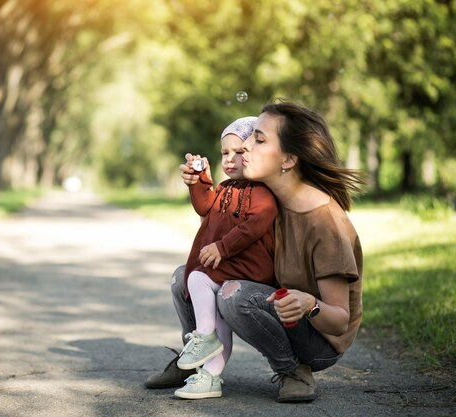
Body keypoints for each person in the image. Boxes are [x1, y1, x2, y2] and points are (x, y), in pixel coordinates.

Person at [145, 99, 364, 403]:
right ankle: (196, 360)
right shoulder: (267, 196)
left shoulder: (324, 223)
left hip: (318, 339)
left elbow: (340, 321)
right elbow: (218, 228)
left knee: (232, 294)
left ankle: (292, 370)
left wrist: (309, 303)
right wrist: (200, 184)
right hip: (279, 307)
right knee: (187, 276)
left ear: (287, 160)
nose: (245, 146)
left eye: (258, 139)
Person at [173, 116, 278, 399]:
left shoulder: (262, 192)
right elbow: (204, 206)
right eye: (225, 153)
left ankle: (203, 337)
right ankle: (211, 376)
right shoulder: (225, 188)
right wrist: (199, 181)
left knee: (197, 277)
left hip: (248, 268)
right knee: (221, 323)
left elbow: (257, 222)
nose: (230, 159)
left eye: (240, 152)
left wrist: (222, 247)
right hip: (230, 267)